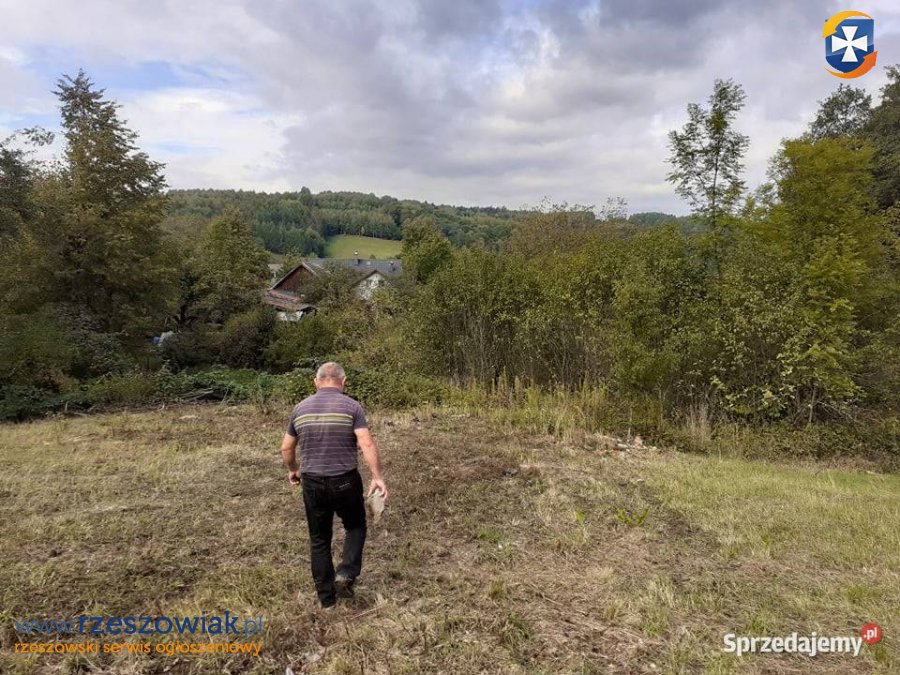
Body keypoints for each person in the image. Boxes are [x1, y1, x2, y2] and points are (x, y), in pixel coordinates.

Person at [281, 362, 388, 608]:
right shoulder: (352, 406)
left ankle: (327, 600)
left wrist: (293, 470)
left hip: (312, 482)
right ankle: (346, 572)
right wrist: (377, 476)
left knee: (319, 538)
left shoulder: (300, 408)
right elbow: (366, 443)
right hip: (345, 481)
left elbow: (286, 447)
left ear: (316, 382)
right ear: (344, 382)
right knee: (355, 526)